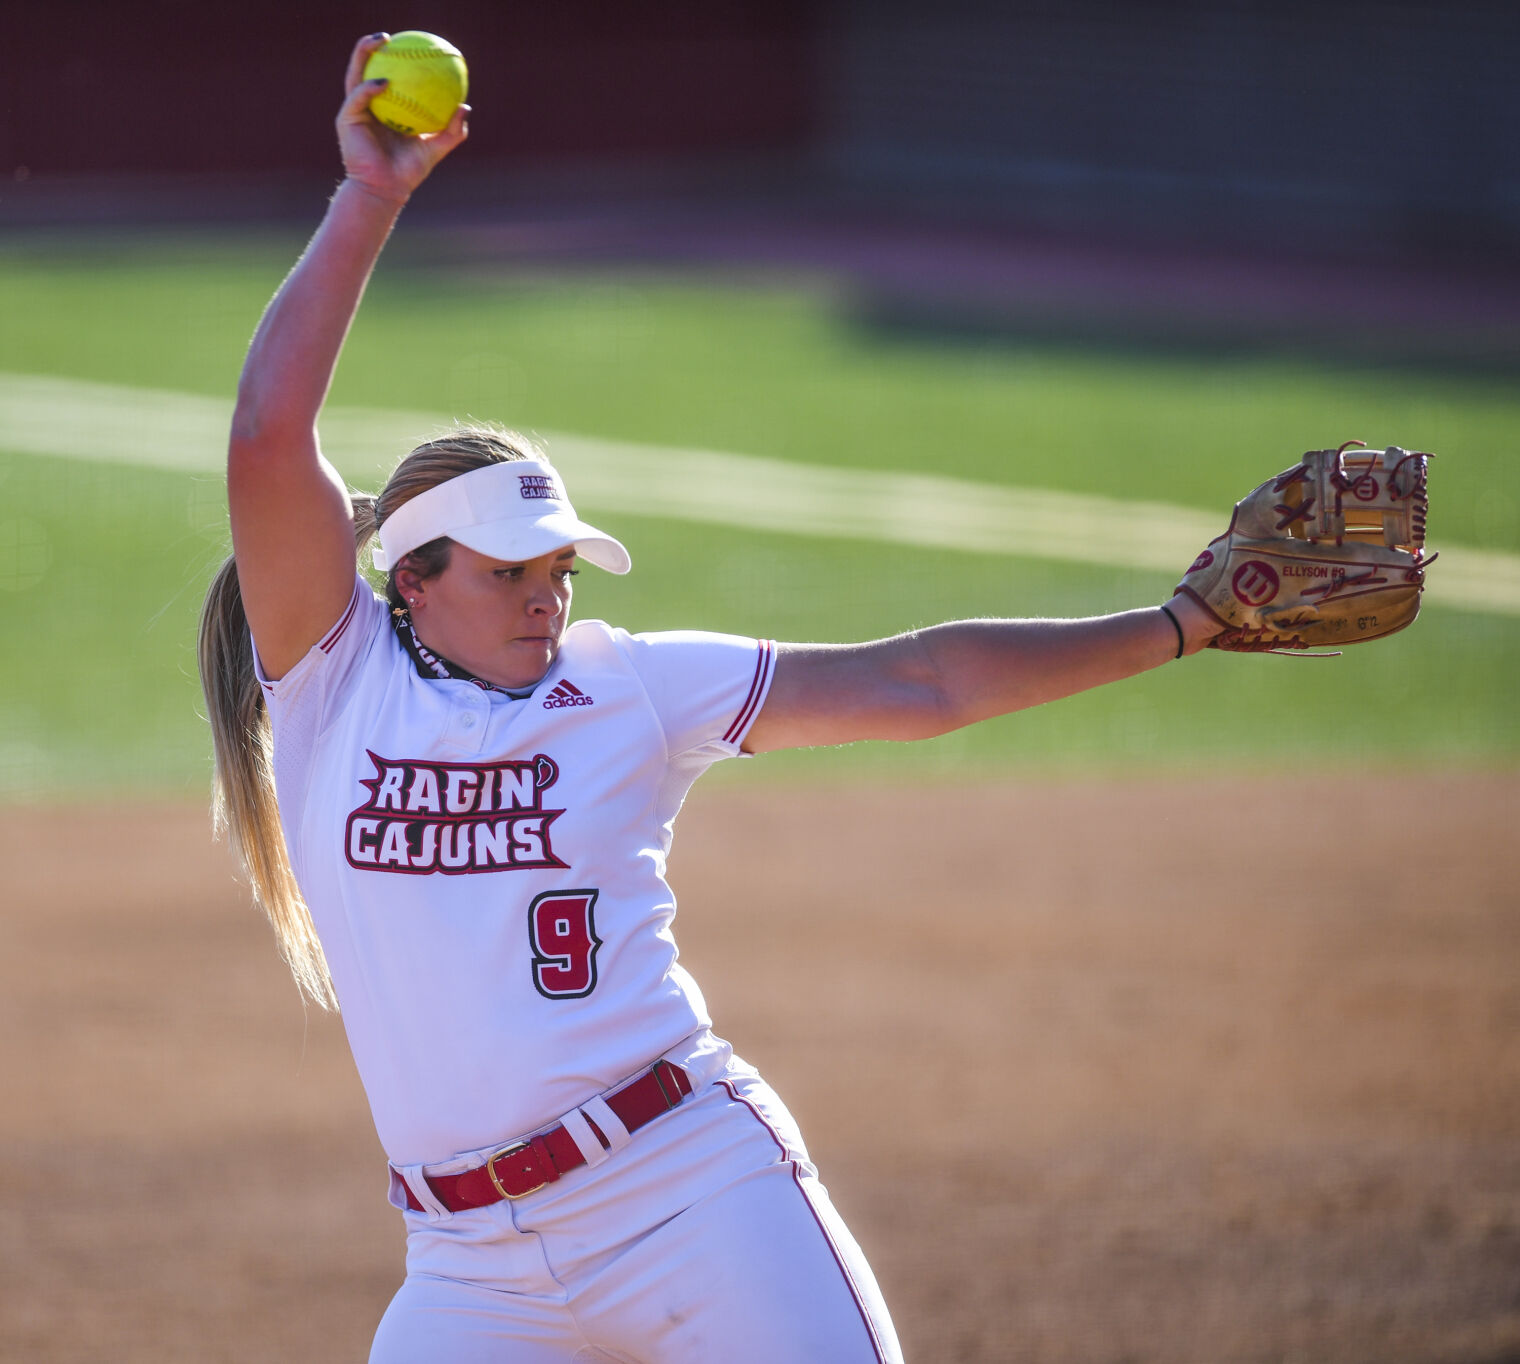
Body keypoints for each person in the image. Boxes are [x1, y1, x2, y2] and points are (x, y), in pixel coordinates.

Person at [198, 35, 1224, 1364]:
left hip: (689, 1196)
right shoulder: (335, 688)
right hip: (466, 1273)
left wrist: (1180, 626)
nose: (545, 598)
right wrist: (371, 198)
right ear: (411, 582)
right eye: (511, 572)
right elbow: (269, 436)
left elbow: (918, 680)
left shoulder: (631, 684)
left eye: (559, 569)